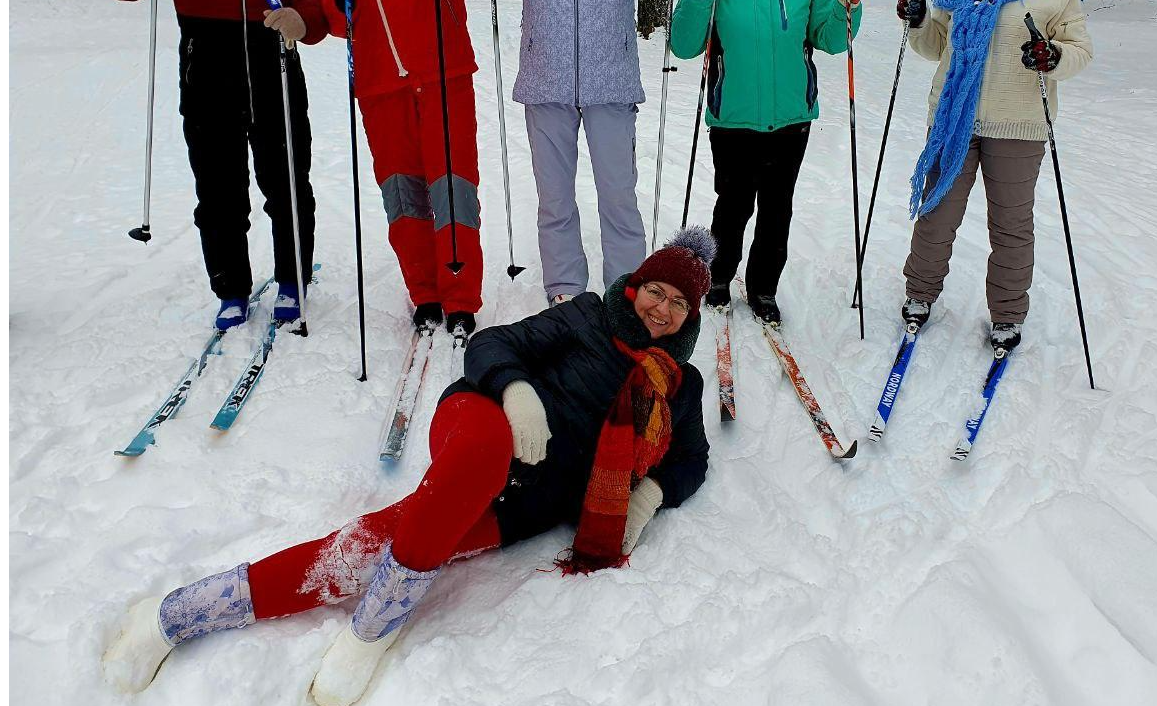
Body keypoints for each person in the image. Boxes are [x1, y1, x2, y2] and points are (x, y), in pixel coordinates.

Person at [101, 227, 715, 706]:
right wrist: (516, 392)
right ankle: (372, 631)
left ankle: (174, 616)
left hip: (526, 503)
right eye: (656, 290)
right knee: (475, 461)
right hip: (485, 422)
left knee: (371, 548)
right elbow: (491, 345)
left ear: (691, 317)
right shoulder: (584, 313)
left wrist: (649, 494)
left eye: (679, 302)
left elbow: (692, 459)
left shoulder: (681, 386)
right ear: (635, 285)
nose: (662, 308)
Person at [99, 0, 324, 327]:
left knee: (286, 186)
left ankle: (292, 278)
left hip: (276, 86)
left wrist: (298, 21)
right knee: (219, 196)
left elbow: (315, 11)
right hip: (207, 93)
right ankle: (231, 289)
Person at [464, 0, 696, 306]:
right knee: (555, 201)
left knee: (618, 197)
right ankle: (566, 291)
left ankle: (626, 289)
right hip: (545, 87)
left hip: (610, 87)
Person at [895, 0, 1093, 351]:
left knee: (1010, 224)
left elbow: (1078, 48)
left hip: (1019, 121)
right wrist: (919, 20)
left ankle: (1007, 313)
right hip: (952, 118)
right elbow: (935, 45)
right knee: (936, 212)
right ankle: (919, 294)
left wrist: (1052, 55)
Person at [669, 0, 864, 326]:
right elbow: (683, 45)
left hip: (791, 120)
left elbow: (833, 39)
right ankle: (717, 278)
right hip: (732, 120)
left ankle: (762, 288)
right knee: (733, 205)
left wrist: (848, 5)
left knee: (777, 209)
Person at [320, 0, 483, 337]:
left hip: (442, 75)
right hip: (379, 85)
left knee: (453, 187)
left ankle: (459, 294)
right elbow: (337, 23)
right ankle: (425, 293)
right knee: (403, 194)